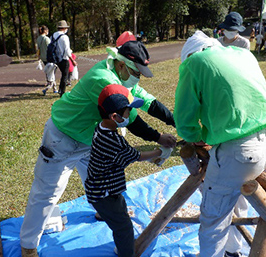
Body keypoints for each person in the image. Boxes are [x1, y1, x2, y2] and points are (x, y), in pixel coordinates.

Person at [19, 40, 177, 257]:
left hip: (91, 138)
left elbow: (148, 101)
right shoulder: (103, 80)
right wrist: (159, 138)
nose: (137, 77)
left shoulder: (122, 77)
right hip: (63, 137)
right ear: (121, 64)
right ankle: (28, 245)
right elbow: (130, 119)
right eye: (135, 71)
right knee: (47, 192)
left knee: (98, 180)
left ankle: (104, 212)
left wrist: (176, 121)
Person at [175, 30, 266, 257]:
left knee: (213, 219)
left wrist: (197, 138)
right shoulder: (242, 54)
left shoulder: (194, 63)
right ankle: (233, 251)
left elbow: (184, 121)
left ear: (190, 55)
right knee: (239, 201)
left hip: (240, 152)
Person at [85, 84, 172, 257]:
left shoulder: (101, 128)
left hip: (105, 188)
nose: (130, 115)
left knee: (121, 213)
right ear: (115, 116)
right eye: (128, 112)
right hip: (103, 193)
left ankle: (122, 246)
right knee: (124, 227)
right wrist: (160, 151)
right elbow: (136, 156)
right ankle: (126, 253)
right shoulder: (113, 140)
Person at [51, 20, 77, 97]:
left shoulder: (53, 36)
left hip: (55, 58)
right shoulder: (64, 37)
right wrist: (72, 60)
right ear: (64, 28)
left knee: (54, 74)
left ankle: (58, 88)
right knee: (65, 75)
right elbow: (67, 50)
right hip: (63, 58)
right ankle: (62, 91)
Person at [37, 25, 58, 95]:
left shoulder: (38, 38)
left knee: (49, 72)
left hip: (43, 57)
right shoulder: (46, 39)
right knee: (52, 72)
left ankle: (52, 85)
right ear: (45, 31)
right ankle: (52, 87)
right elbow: (50, 48)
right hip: (48, 58)